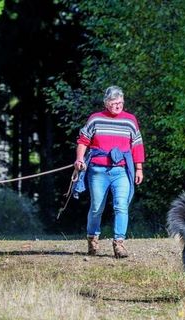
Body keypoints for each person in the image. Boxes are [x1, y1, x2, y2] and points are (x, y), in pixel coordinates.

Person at [73, 86, 145, 258]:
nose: (117, 106)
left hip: (121, 170)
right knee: (97, 207)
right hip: (98, 171)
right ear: (106, 103)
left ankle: (119, 243)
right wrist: (80, 159)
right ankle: (92, 240)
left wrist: (139, 168)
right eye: (114, 103)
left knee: (121, 206)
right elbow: (83, 140)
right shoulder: (95, 119)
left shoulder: (130, 120)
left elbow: (137, 144)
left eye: (120, 103)